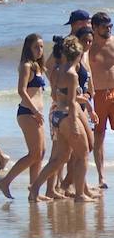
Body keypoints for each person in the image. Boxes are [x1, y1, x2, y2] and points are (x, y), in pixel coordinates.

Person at [31, 36, 96, 202]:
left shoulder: (56, 70)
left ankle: (34, 190)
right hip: (68, 117)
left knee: (59, 158)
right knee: (82, 155)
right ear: (78, 55)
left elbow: (54, 94)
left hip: (56, 115)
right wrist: (75, 124)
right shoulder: (72, 74)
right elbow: (73, 103)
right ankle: (80, 194)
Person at [0, 34, 47, 200]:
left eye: (41, 47)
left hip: (36, 113)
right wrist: (35, 111)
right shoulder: (27, 66)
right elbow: (21, 90)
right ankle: (5, 181)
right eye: (36, 47)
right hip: (27, 113)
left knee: (40, 153)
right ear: (28, 48)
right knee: (34, 154)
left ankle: (34, 191)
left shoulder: (39, 66)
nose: (40, 50)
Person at [91, 12, 114, 188]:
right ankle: (101, 177)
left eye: (110, 26)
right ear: (94, 27)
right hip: (97, 95)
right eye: (105, 26)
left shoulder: (113, 42)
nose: (108, 29)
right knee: (99, 135)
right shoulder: (88, 47)